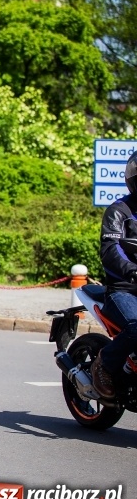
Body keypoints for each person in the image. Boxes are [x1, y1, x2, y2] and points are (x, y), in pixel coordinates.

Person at [93, 150, 137, 399]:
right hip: (125, 289)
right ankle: (104, 363)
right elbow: (111, 251)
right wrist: (133, 270)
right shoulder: (119, 211)